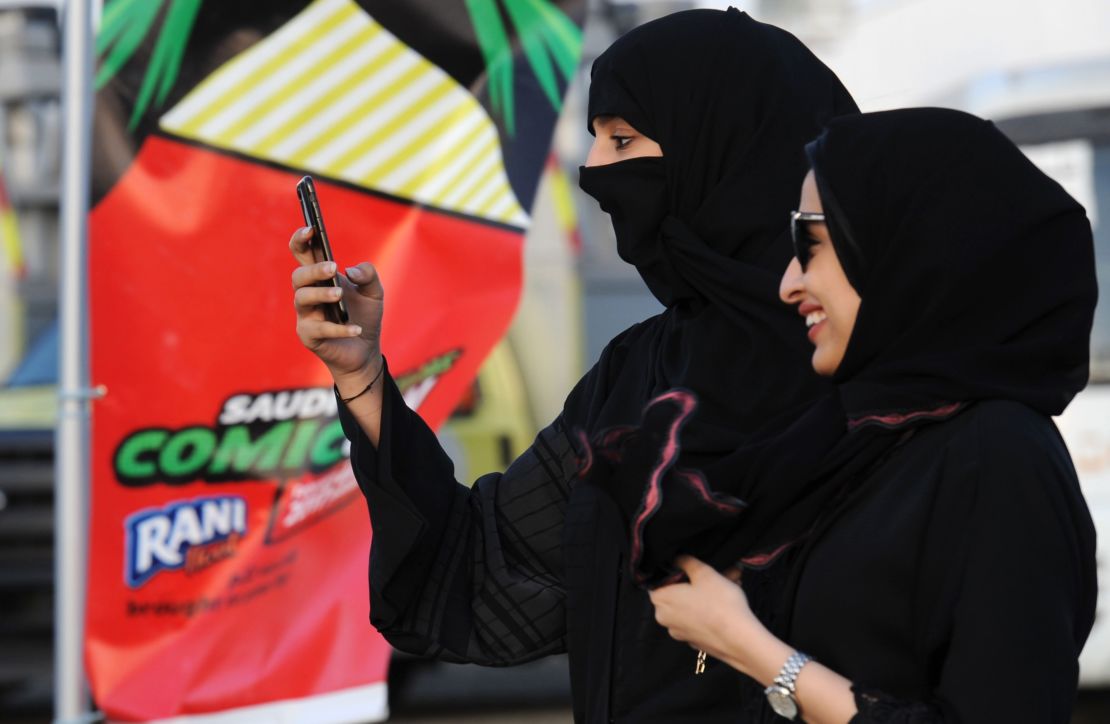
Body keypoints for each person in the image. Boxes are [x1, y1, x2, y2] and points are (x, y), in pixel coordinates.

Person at [289, 8, 857, 722]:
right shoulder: (640, 376)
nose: (594, 173)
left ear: (720, 146)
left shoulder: (892, 390)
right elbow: (480, 572)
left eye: (622, 140)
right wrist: (363, 375)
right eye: (593, 141)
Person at [646, 108, 1098, 723]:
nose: (787, 284)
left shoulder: (999, 455)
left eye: (811, 243)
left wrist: (754, 650)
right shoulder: (851, 443)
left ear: (911, 245)